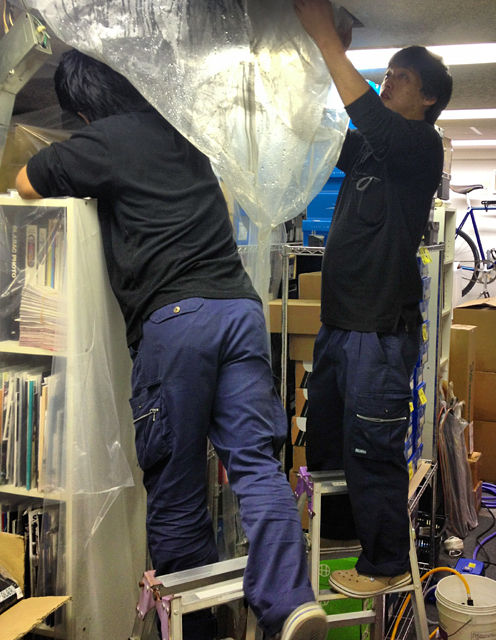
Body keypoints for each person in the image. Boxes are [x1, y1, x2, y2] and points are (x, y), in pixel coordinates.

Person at [15, 50, 327, 640]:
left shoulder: (104, 139)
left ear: (83, 108)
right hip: (239, 311)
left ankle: (197, 633)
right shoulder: (181, 133)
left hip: (178, 322)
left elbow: (25, 182)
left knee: (177, 491)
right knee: (256, 466)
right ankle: (290, 603)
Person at [294, 0, 453, 598]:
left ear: (428, 98)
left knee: (371, 448)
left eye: (401, 77)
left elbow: (374, 121)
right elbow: (328, 126)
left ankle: (386, 562)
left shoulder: (421, 146)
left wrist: (327, 40)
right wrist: (321, 57)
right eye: (387, 72)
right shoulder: (370, 147)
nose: (388, 81)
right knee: (327, 442)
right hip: (339, 325)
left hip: (379, 330)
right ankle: (340, 535)